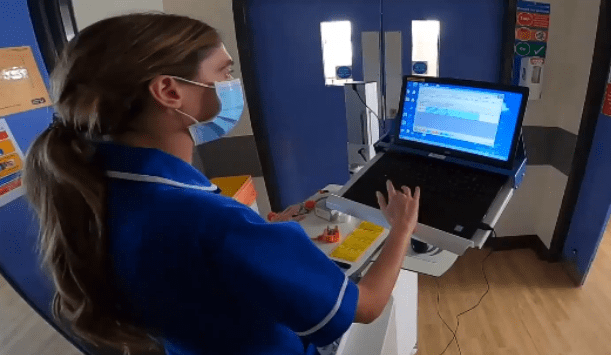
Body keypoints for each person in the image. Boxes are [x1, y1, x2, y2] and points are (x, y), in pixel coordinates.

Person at [23, 13, 420, 355]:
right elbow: (367, 307)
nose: (233, 84)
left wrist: (266, 239)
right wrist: (401, 228)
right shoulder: (218, 224)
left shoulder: (93, 190)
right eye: (225, 72)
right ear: (169, 91)